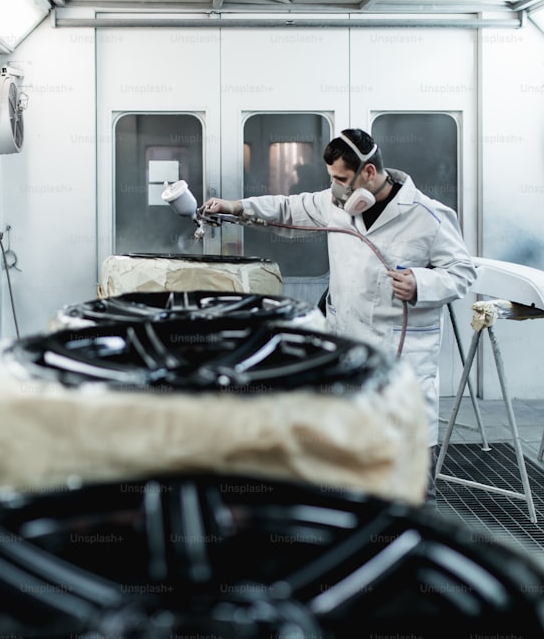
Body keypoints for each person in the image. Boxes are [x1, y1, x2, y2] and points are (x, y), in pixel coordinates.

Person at [200, 128, 477, 506]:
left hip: (403, 350)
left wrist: (420, 283)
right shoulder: (336, 205)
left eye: (341, 179)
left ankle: (411, 523)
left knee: (406, 462)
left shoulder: (426, 216)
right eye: (331, 178)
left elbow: (463, 273)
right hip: (347, 341)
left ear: (368, 174)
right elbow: (286, 208)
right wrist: (234, 208)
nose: (335, 188)